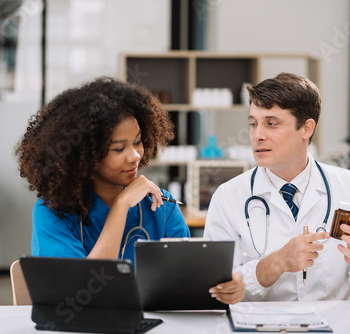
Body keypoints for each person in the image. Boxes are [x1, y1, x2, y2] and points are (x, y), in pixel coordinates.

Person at [16, 77, 244, 305]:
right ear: (84, 157)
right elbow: (82, 296)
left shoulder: (161, 207)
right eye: (119, 148)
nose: (135, 155)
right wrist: (122, 205)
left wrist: (225, 287)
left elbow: (190, 285)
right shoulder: (52, 213)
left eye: (137, 142)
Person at [204, 72, 350, 301]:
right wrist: (276, 263)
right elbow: (218, 290)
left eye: (271, 124)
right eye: (253, 124)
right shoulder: (228, 197)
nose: (258, 135)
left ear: (306, 128)